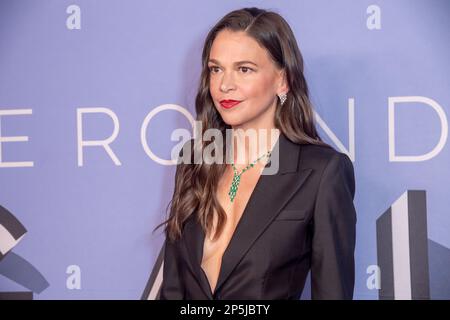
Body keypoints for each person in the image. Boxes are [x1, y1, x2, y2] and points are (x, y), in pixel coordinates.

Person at [157, 7, 356, 300]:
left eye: (244, 69)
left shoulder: (322, 172)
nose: (225, 85)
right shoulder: (195, 160)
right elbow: (173, 290)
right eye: (216, 69)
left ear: (282, 81)